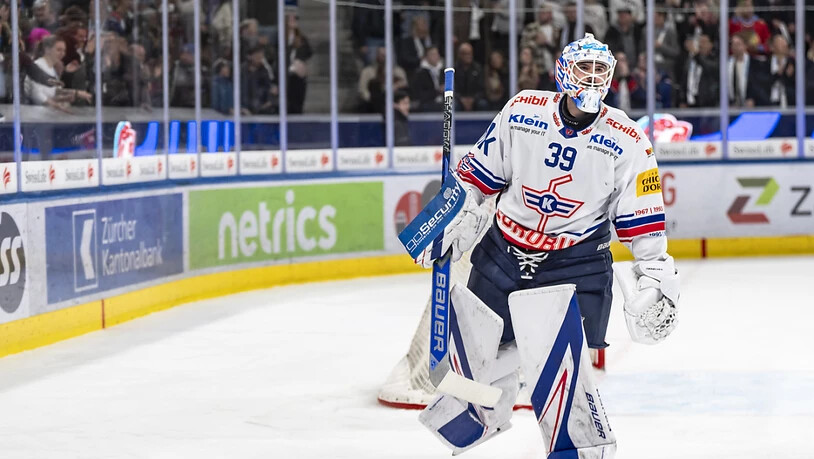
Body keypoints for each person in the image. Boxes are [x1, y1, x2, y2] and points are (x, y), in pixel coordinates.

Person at [413, 34, 679, 457]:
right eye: (585, 68)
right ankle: (481, 413)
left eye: (601, 70)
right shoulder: (522, 111)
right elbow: (475, 178)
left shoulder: (628, 138)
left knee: (562, 372)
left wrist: (656, 274)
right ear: (563, 72)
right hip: (502, 254)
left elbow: (642, 218)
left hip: (574, 264)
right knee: (473, 368)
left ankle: (577, 449)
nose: (593, 78)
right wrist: (447, 218)